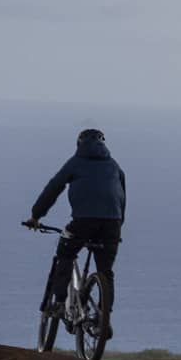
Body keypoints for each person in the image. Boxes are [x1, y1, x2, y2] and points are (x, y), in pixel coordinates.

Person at [22, 128, 126, 316]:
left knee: (66, 253)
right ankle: (104, 318)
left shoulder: (75, 163)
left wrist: (36, 216)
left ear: (79, 144)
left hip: (83, 222)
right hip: (112, 224)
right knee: (106, 271)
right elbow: (122, 198)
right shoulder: (114, 165)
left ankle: (60, 303)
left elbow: (53, 189)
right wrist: (118, 226)